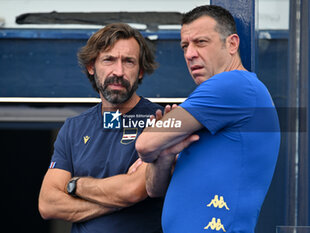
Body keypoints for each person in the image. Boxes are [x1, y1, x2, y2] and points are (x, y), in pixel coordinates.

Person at [136, 5, 280, 233]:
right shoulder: (219, 106)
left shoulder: (234, 84)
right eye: (185, 46)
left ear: (232, 44)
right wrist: (165, 154)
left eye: (201, 42)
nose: (190, 54)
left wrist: (158, 136)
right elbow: (154, 189)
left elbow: (144, 143)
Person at [38, 23, 169, 233]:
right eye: (109, 59)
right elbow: (48, 204)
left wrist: (75, 185)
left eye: (128, 61)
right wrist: (117, 198)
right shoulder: (74, 128)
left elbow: (132, 191)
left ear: (141, 71)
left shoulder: (160, 121)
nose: (118, 71)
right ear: (92, 66)